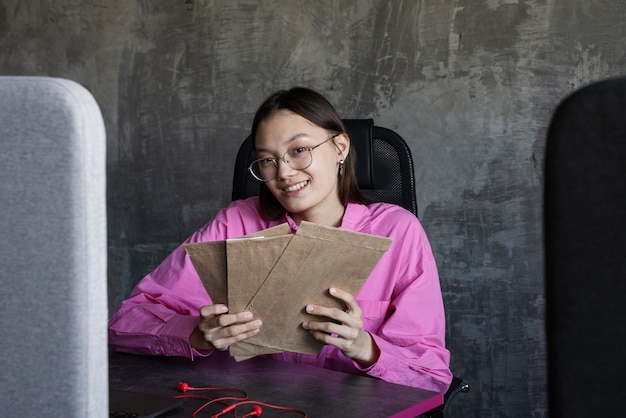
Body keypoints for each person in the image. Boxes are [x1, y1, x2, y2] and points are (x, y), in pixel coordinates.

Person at [108, 87, 452, 393]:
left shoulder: (397, 232)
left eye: (299, 149)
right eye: (267, 160)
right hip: (249, 403)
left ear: (340, 147)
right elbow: (125, 323)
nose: (284, 172)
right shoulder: (235, 223)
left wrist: (364, 346)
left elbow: (431, 376)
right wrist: (197, 335)